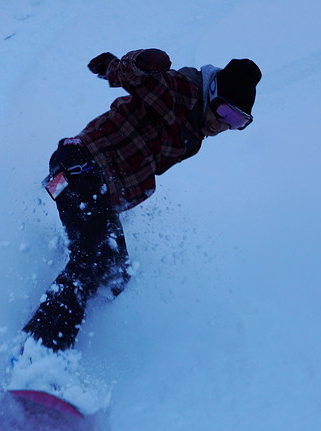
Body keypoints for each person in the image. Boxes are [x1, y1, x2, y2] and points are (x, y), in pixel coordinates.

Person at [22, 48, 262, 351]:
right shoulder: (183, 93)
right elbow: (140, 79)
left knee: (115, 274)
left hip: (86, 184)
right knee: (92, 256)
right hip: (80, 167)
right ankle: (36, 352)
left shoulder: (194, 135)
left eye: (237, 122)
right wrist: (138, 63)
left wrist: (112, 65)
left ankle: (62, 331)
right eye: (224, 112)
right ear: (211, 91)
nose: (223, 125)